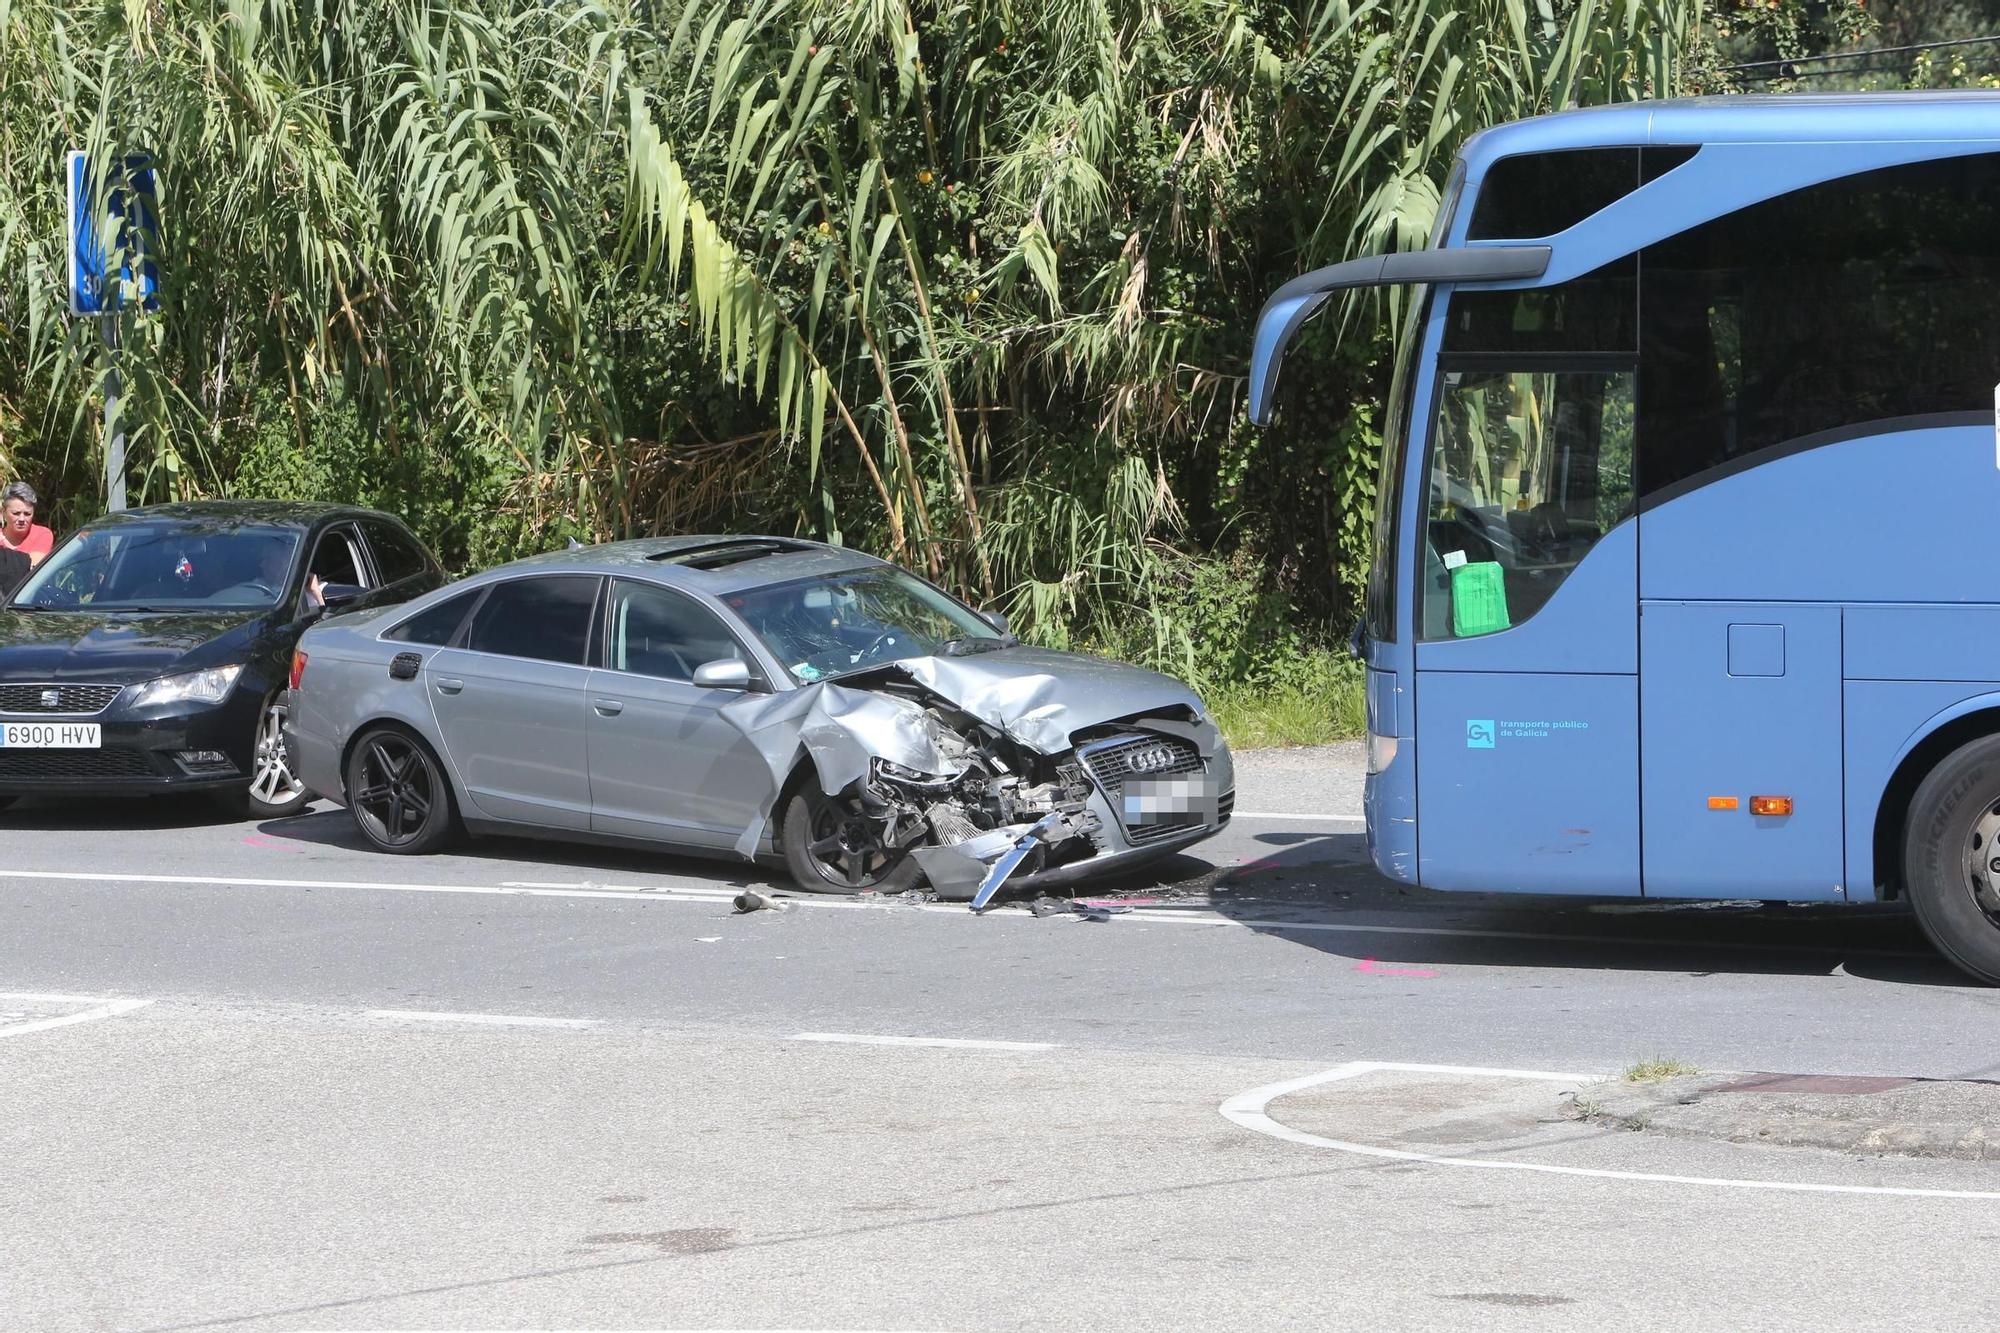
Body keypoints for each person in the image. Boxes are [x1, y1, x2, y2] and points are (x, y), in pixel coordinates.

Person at [0, 482, 54, 561]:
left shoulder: (42, 534)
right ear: (3, 512)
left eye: (27, 514)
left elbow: (32, 567)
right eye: (16, 513)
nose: (22, 519)